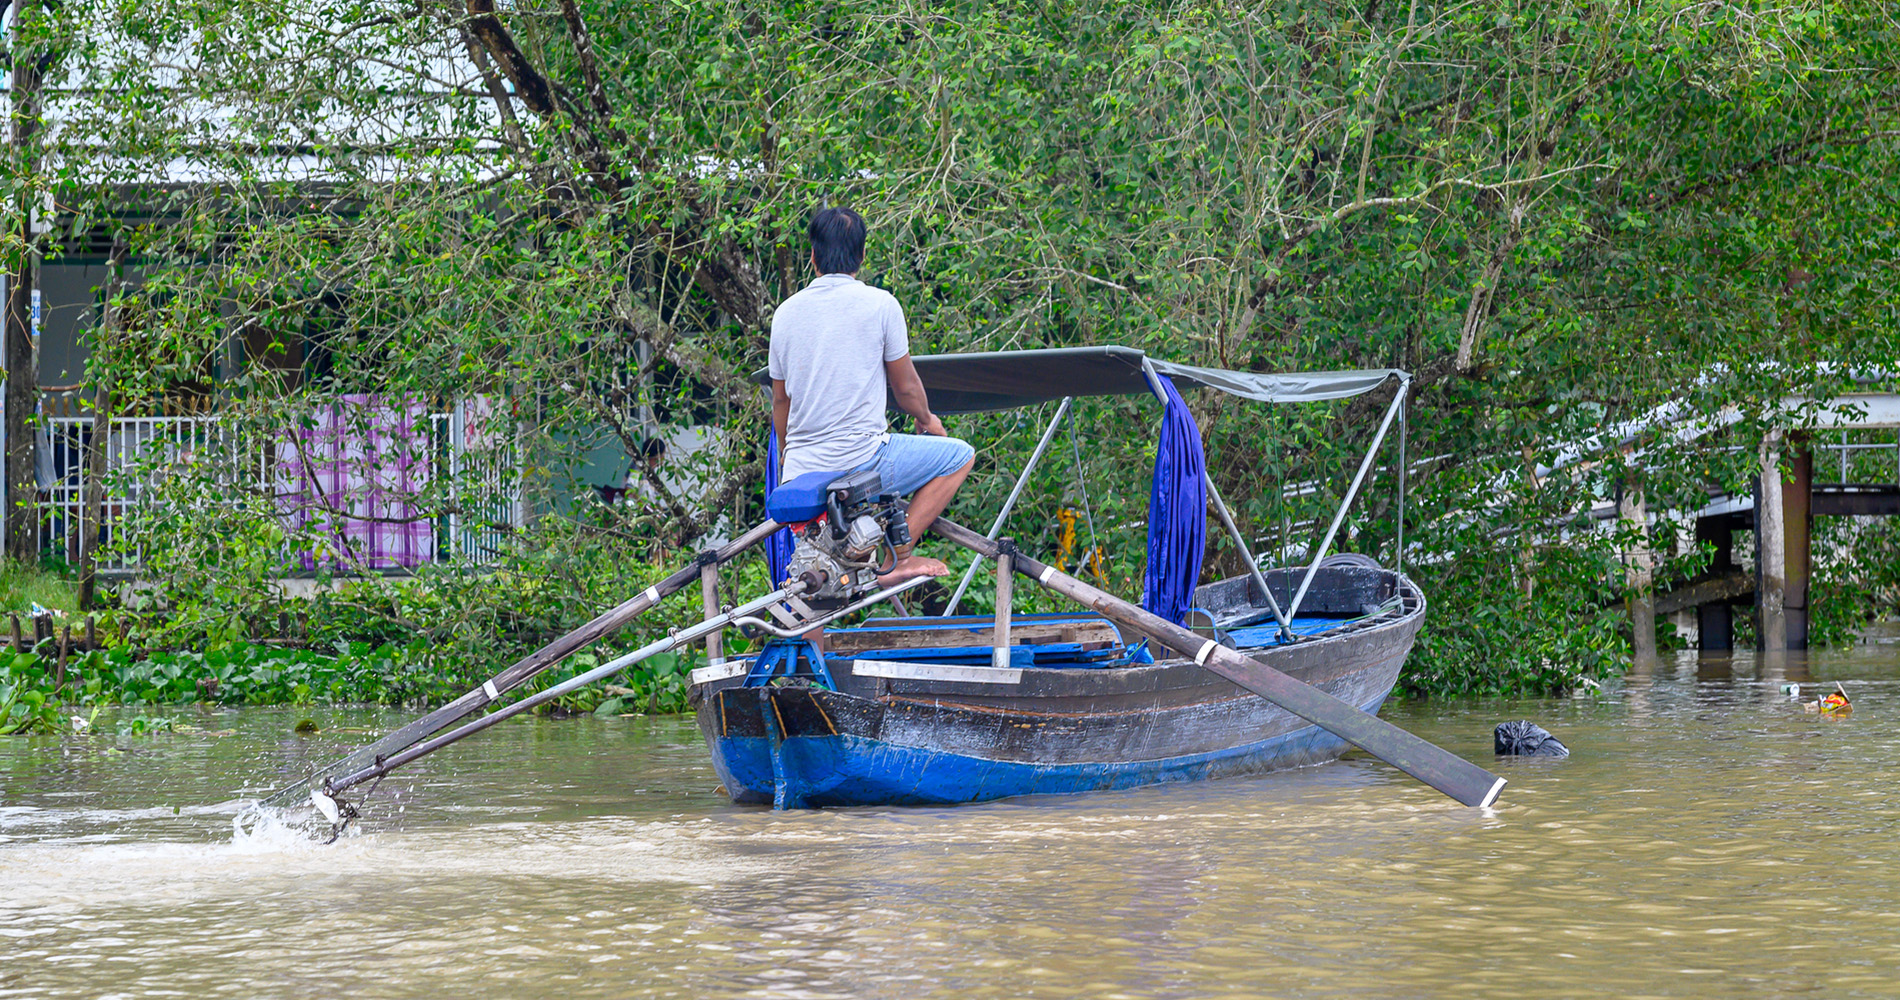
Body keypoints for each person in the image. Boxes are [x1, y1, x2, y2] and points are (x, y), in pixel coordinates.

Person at [770, 206, 974, 583]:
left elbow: (781, 402)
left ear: (813, 257)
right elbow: (906, 386)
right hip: (861, 461)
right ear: (862, 256)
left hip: (801, 469)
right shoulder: (881, 305)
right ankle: (898, 556)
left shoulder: (785, 314)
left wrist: (787, 457)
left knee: (808, 579)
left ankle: (810, 644)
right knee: (959, 456)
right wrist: (927, 421)